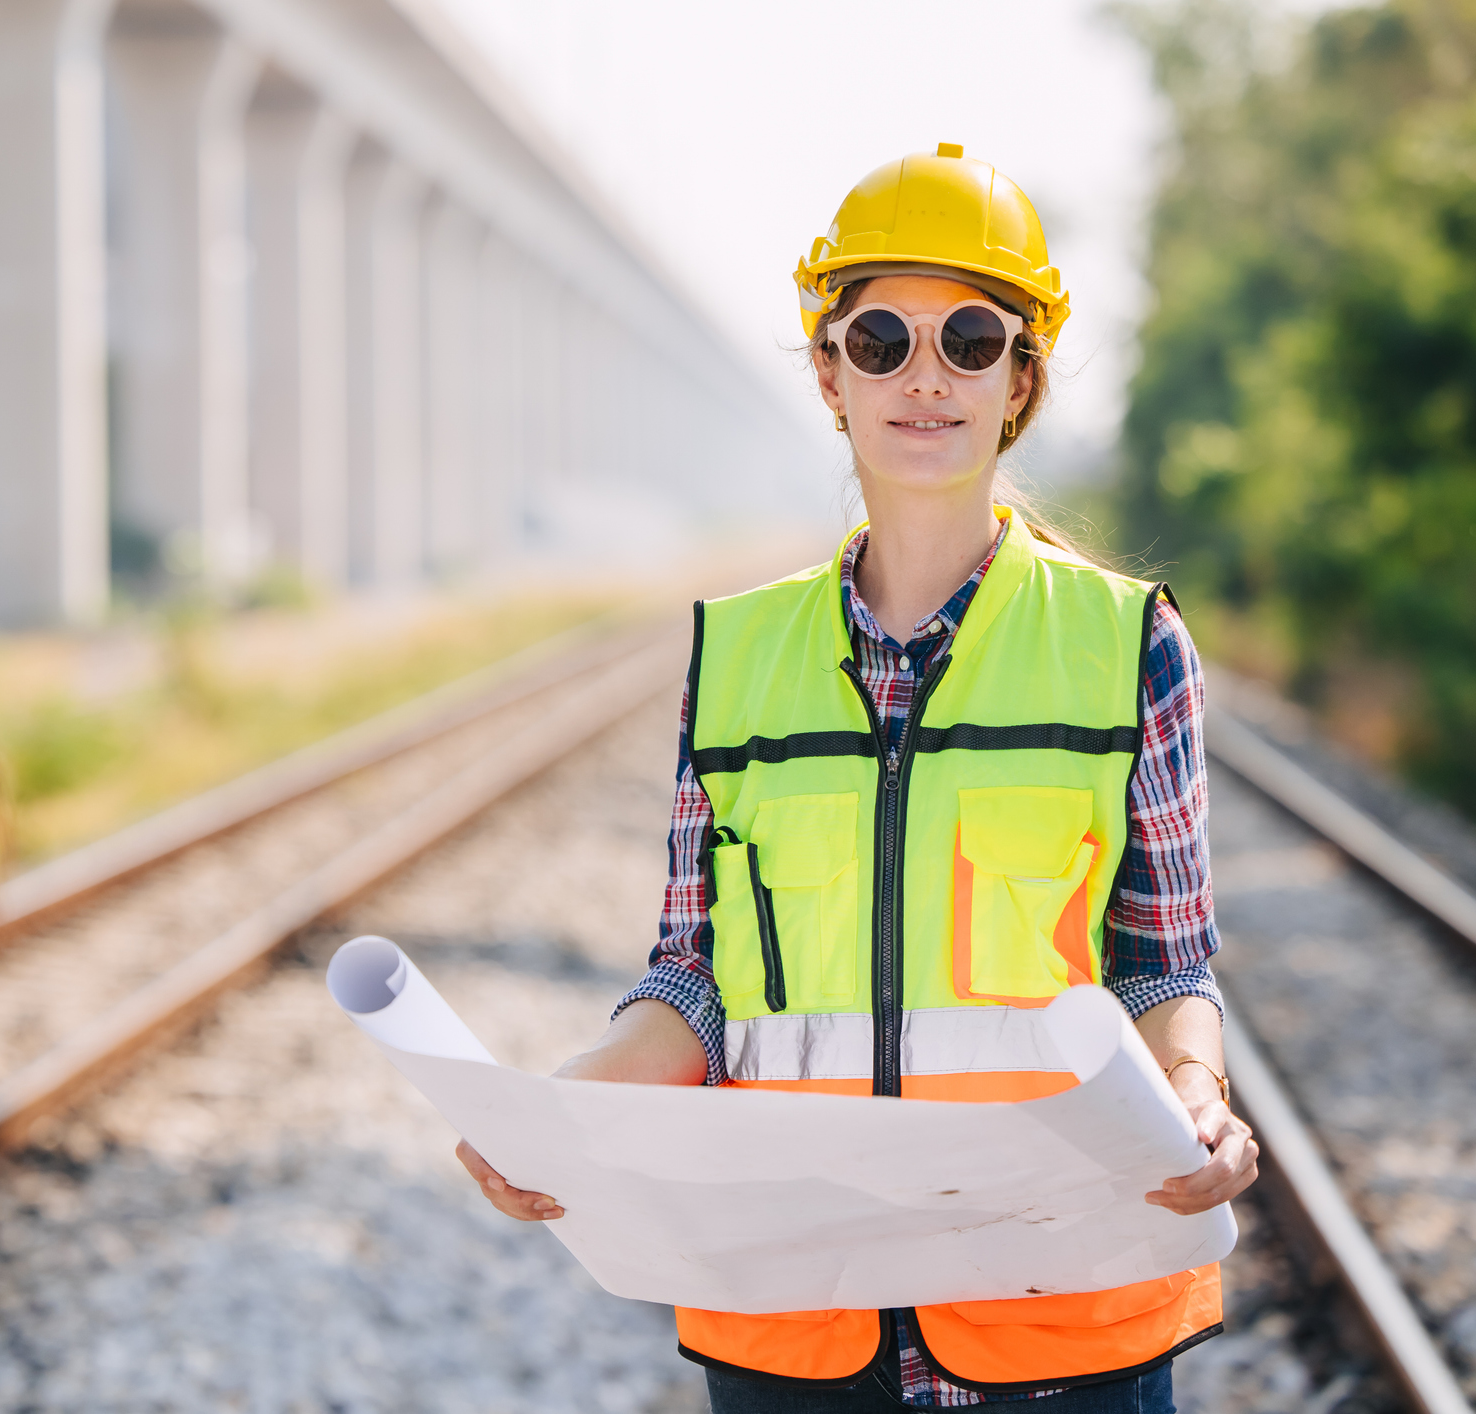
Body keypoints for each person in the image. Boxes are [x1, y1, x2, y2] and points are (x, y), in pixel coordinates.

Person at [455, 144, 1259, 1412]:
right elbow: (698, 983)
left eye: (970, 340)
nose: (924, 376)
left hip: (1058, 1310)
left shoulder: (1128, 644)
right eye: (880, 338)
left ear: (1022, 379)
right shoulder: (734, 657)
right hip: (797, 1311)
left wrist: (1200, 1098)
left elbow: (1163, 960)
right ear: (830, 375)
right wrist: (553, 1114)